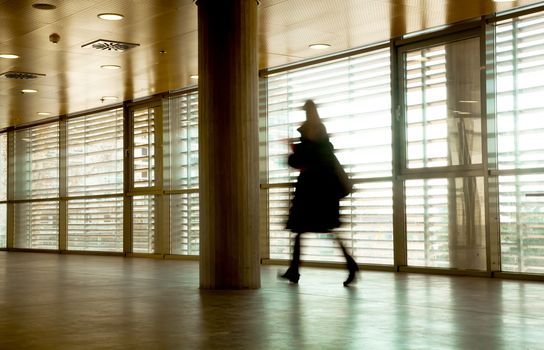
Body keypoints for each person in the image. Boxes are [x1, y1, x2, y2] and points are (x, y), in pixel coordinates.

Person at [279, 100, 359, 286]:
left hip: (313, 194)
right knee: (313, 231)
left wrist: (294, 152)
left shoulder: (313, 134)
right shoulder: (319, 135)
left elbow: (305, 159)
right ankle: (295, 270)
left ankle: (296, 270)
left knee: (305, 230)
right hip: (320, 194)